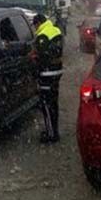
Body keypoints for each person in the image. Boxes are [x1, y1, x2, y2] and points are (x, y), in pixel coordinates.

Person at [31, 13, 63, 143]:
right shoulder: (55, 30)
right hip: (56, 71)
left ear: (38, 23)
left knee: (46, 104)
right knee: (53, 103)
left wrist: (34, 62)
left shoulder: (42, 35)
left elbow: (42, 56)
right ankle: (54, 130)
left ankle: (51, 135)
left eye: (35, 25)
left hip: (47, 73)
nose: (35, 28)